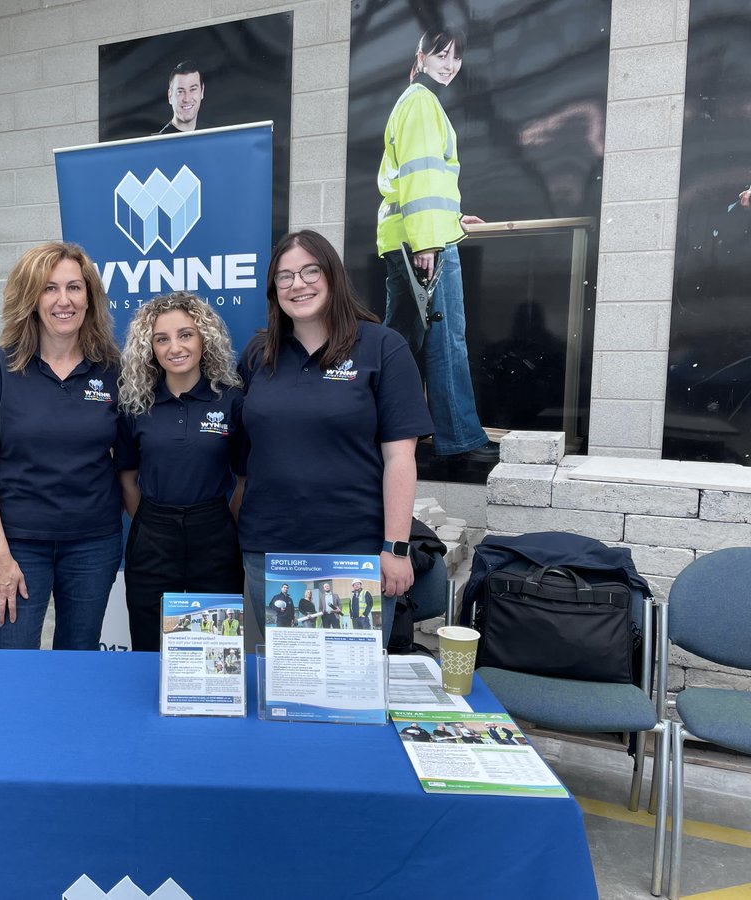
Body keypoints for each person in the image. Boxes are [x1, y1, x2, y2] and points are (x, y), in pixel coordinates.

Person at [238, 230, 434, 643]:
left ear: (332, 276)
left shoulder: (382, 348)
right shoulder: (259, 355)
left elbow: (401, 459)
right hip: (270, 551)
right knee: (289, 681)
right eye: (285, 276)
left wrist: (395, 547)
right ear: (274, 290)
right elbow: (244, 456)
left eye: (311, 271)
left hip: (354, 551)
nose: (298, 284)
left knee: (348, 686)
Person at [0, 242, 123, 651]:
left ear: (89, 297)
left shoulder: (112, 370)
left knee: (78, 659)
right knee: (14, 663)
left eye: (74, 288)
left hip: (93, 545)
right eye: (49, 289)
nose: (64, 301)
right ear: (30, 298)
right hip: (19, 544)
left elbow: (131, 458)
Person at [377, 27, 498, 464]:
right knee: (446, 339)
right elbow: (421, 178)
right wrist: (429, 239)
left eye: (455, 58)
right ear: (422, 55)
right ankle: (460, 438)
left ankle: (380, 429)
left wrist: (449, 220)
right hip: (423, 243)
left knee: (399, 344)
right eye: (441, 55)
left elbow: (420, 183)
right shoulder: (422, 103)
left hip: (410, 237)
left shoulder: (414, 102)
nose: (449, 65)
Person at [116, 293, 246, 652]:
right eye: (162, 339)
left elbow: (244, 480)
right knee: (149, 640)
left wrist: (219, 523)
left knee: (219, 644)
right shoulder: (135, 404)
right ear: (150, 348)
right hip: (152, 532)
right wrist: (151, 520)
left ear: (204, 338)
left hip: (215, 531)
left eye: (186, 334)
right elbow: (127, 477)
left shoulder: (231, 400)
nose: (175, 347)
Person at [159, 60, 204, 134]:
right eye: (180, 91)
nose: (187, 99)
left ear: (202, 91)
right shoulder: (159, 143)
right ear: (170, 96)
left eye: (192, 89)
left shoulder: (214, 136)